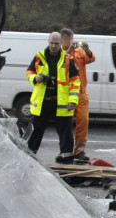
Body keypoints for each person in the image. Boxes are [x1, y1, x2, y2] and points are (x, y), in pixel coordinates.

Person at [25, 31, 80, 164]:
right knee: (36, 130)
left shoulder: (68, 59)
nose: (54, 46)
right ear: (48, 42)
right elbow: (29, 72)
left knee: (65, 131)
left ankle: (66, 158)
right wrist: (35, 78)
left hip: (60, 102)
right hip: (42, 101)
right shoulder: (39, 56)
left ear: (61, 43)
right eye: (51, 43)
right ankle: (28, 156)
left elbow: (75, 81)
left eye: (56, 43)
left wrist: (73, 100)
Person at [60, 27, 95, 164]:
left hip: (81, 93)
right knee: (65, 124)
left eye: (71, 38)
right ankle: (65, 150)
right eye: (67, 39)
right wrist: (68, 53)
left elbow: (91, 59)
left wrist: (87, 49)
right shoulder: (59, 52)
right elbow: (60, 66)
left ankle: (79, 151)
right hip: (66, 94)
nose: (70, 41)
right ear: (62, 39)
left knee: (83, 122)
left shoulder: (79, 51)